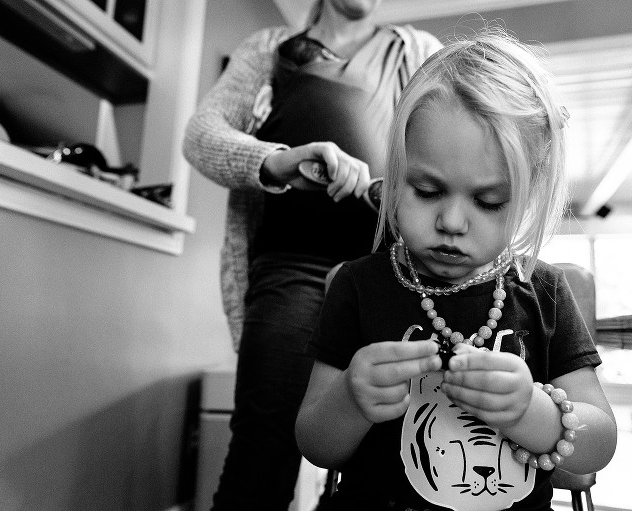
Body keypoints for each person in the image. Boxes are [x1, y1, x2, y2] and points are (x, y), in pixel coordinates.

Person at [295, 28, 618, 511]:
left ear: (528, 198)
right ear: (396, 173)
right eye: (426, 191)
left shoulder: (544, 290)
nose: (451, 221)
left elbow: (601, 443)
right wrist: (349, 397)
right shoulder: (358, 285)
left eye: (489, 201)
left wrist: (534, 412)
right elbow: (316, 445)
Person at [182, 0, 442, 509]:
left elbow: (442, 150)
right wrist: (277, 162)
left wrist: (387, 191)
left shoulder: (418, 52)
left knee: (381, 448)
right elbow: (200, 136)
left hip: (386, 271)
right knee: (263, 442)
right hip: (289, 267)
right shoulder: (267, 49)